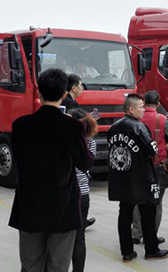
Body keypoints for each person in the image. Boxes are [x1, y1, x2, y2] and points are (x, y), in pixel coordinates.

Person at [8, 68, 94, 272]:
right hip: (63, 206)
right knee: (58, 266)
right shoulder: (73, 127)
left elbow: (19, 160)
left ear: (38, 92)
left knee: (30, 265)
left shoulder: (20, 125)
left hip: (29, 204)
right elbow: (85, 163)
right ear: (64, 94)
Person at [108, 94, 168, 262]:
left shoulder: (113, 128)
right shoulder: (139, 127)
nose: (143, 110)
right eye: (141, 107)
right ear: (131, 109)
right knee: (147, 213)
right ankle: (151, 249)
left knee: (125, 213)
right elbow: (152, 150)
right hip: (141, 178)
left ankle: (126, 251)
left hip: (121, 177)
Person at [132, 91, 168, 245]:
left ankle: (136, 234)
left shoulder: (136, 118)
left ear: (143, 102)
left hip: (139, 166)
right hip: (158, 166)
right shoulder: (162, 119)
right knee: (156, 202)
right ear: (158, 103)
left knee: (139, 200)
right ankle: (152, 235)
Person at [68, 108, 98, 272]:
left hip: (67, 192)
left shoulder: (65, 140)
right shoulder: (90, 141)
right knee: (79, 236)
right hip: (83, 193)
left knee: (63, 236)